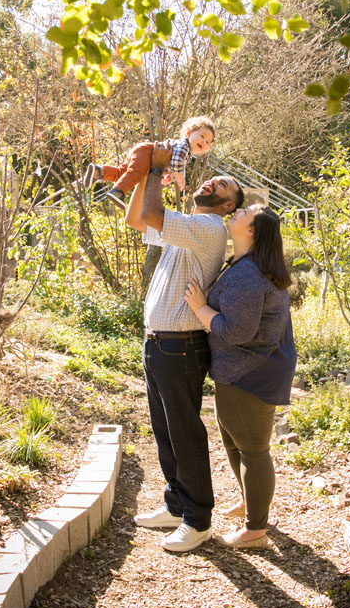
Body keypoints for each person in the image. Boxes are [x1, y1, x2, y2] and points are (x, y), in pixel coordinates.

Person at [125, 144, 244, 552]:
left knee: (184, 432)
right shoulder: (187, 226)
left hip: (181, 347)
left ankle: (198, 520)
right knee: (165, 431)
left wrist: (159, 169)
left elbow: (153, 215)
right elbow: (136, 219)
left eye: (222, 185)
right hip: (158, 344)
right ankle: (177, 506)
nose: (213, 181)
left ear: (227, 205)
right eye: (216, 177)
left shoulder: (209, 229)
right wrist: (144, 171)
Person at [184, 204, 297, 550]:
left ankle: (256, 530)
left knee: (253, 450)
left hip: (252, 374)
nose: (236, 212)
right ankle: (253, 501)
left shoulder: (249, 275)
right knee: (235, 443)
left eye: (244, 213)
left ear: (252, 231)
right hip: (241, 371)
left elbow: (237, 332)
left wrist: (200, 308)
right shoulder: (243, 265)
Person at [85, 116, 215, 210]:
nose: (204, 142)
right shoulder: (184, 145)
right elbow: (176, 162)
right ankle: (118, 192)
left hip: (144, 152)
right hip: (146, 153)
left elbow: (169, 163)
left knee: (123, 174)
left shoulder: (186, 152)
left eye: (207, 142)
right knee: (135, 174)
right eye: (202, 136)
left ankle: (99, 172)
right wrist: (180, 179)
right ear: (189, 133)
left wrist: (166, 175)